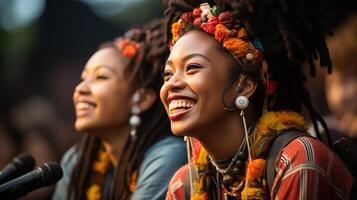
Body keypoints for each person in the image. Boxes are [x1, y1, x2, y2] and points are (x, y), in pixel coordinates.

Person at [160, 1, 353, 199]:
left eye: (192, 67)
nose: (171, 84)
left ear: (244, 86)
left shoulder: (298, 159)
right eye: (167, 74)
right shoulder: (183, 185)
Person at [52, 20, 187, 200]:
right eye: (83, 77)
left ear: (142, 99)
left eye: (101, 77)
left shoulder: (167, 155)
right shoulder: (77, 161)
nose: (80, 88)